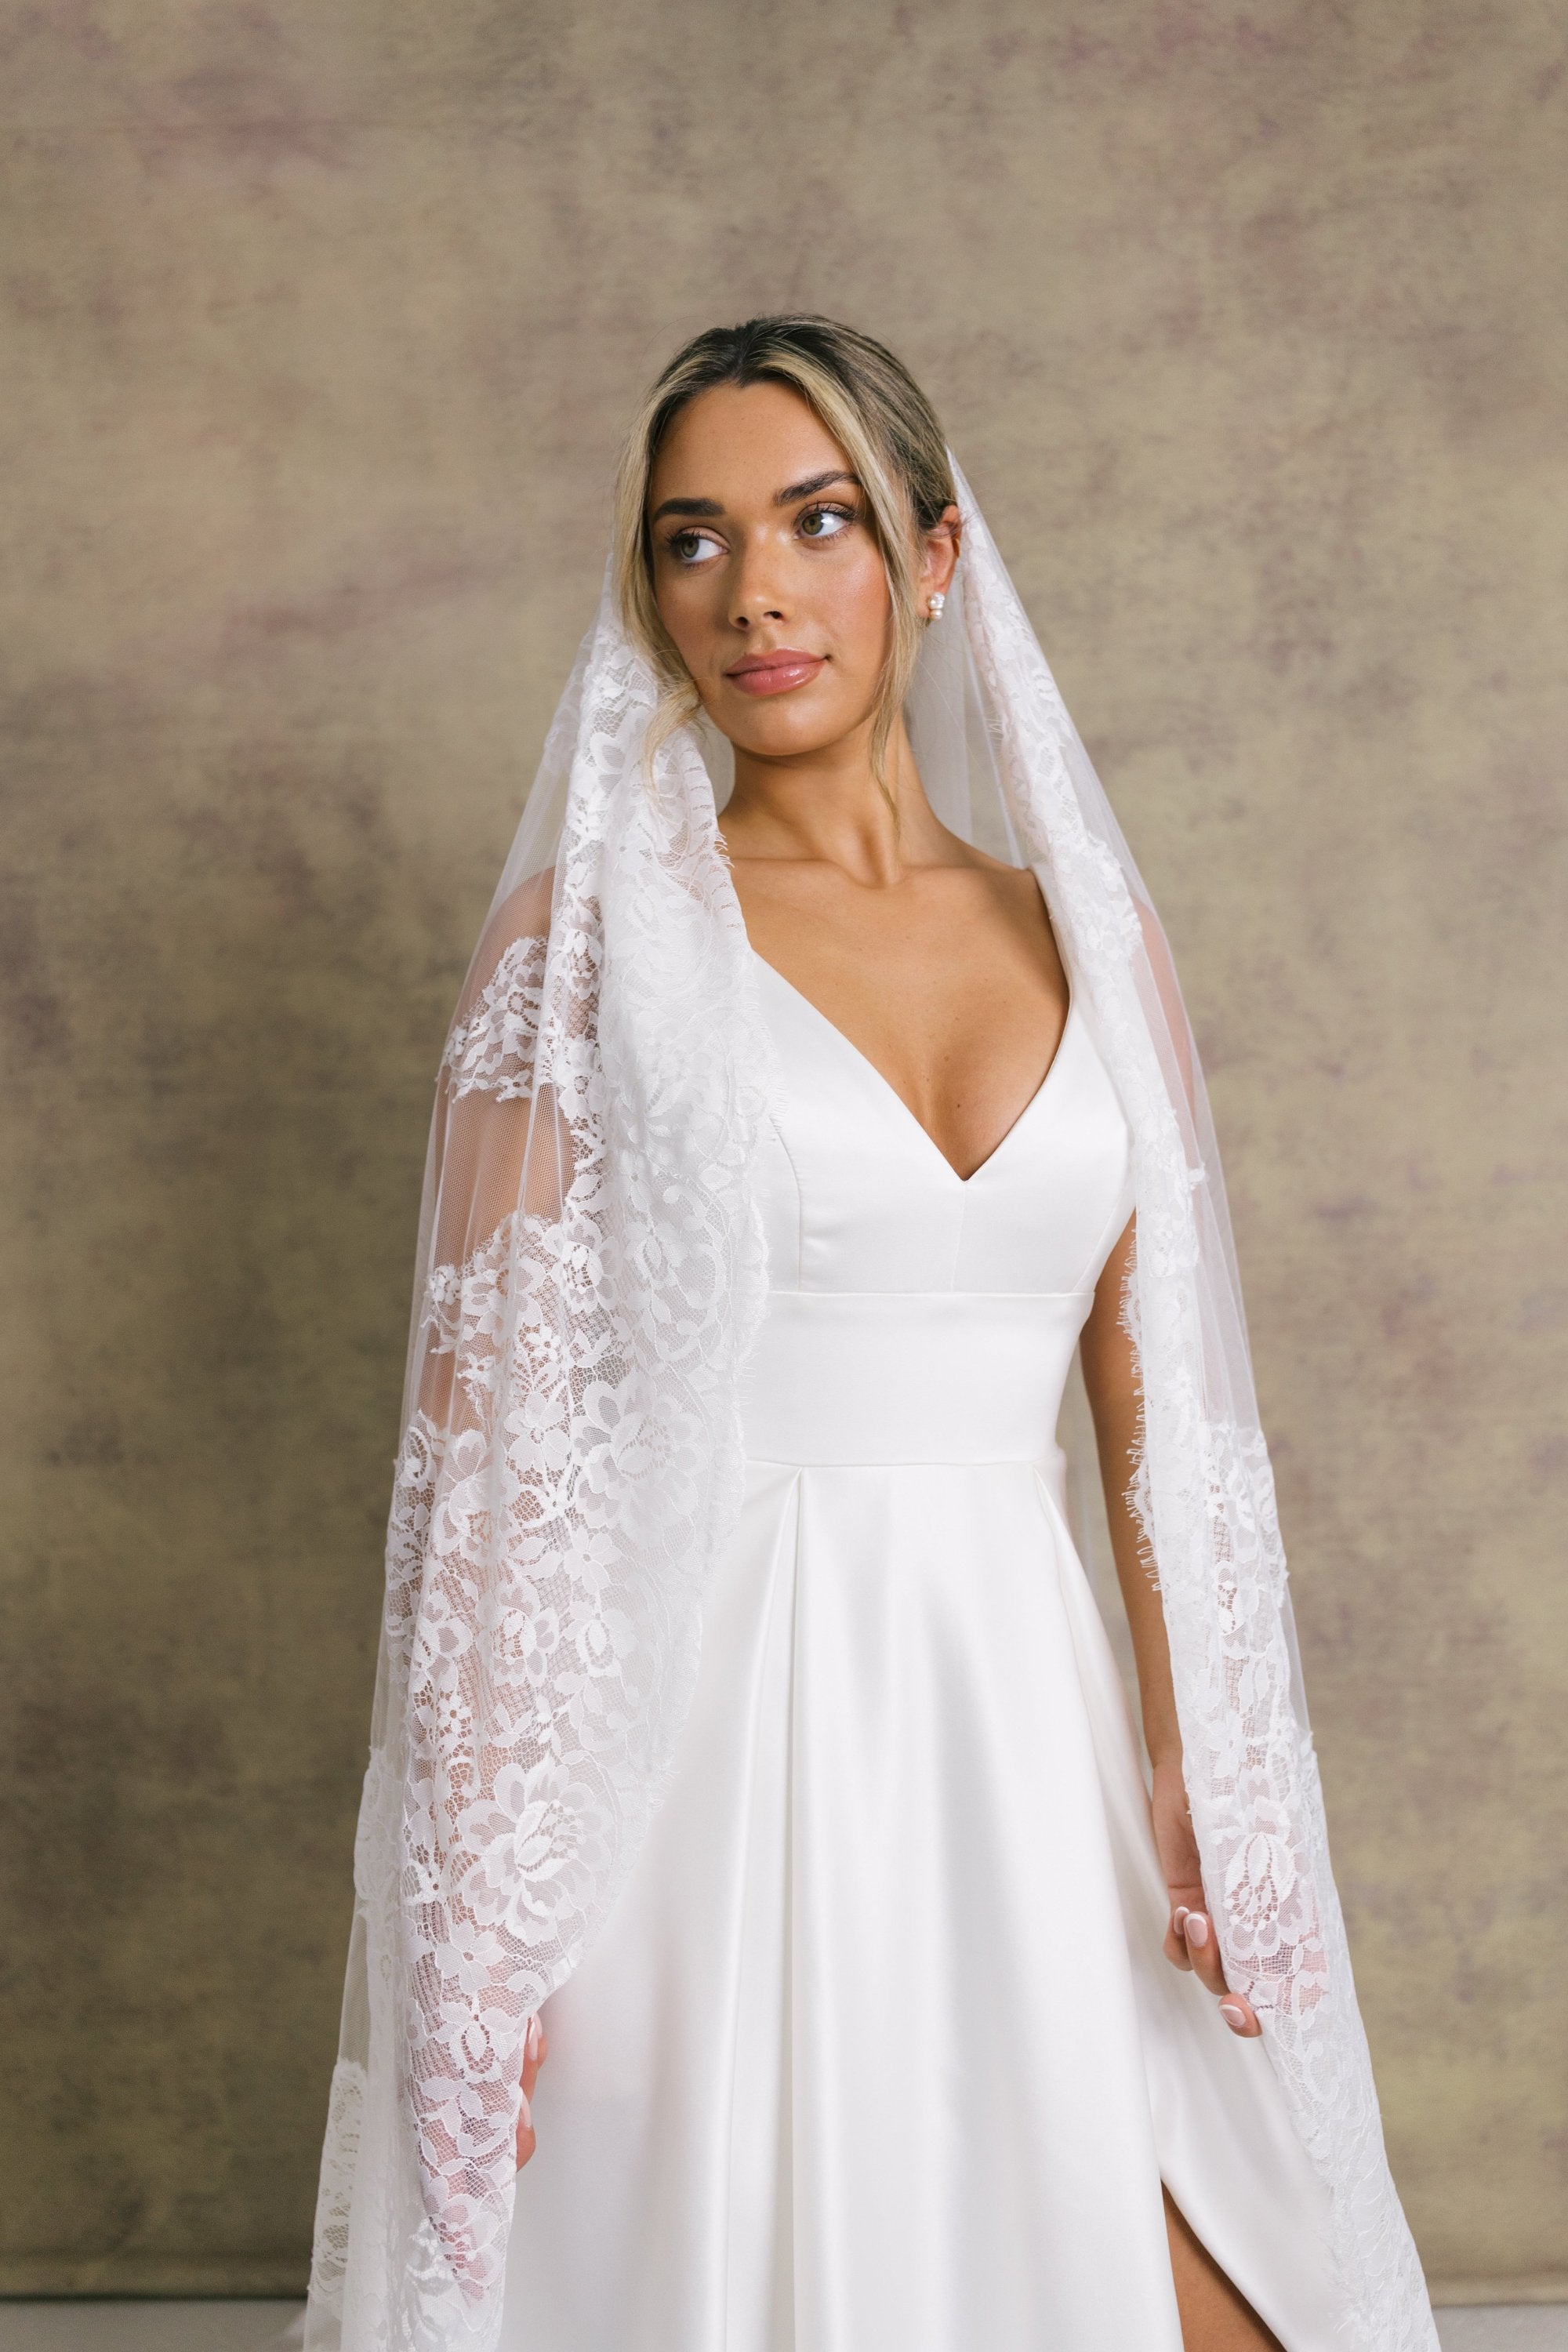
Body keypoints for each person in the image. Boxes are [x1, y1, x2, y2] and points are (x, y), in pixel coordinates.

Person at [303, 318, 1436, 2352]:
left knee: (1213, 2282)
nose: (752, 592)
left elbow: (1154, 1404)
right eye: (692, 540)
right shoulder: (588, 947)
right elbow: (485, 1456)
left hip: (1022, 1726)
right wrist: (478, 1905)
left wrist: (1205, 1770)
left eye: (816, 521)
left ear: (930, 558)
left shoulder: (1092, 932)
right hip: (705, 1767)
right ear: (647, 594)